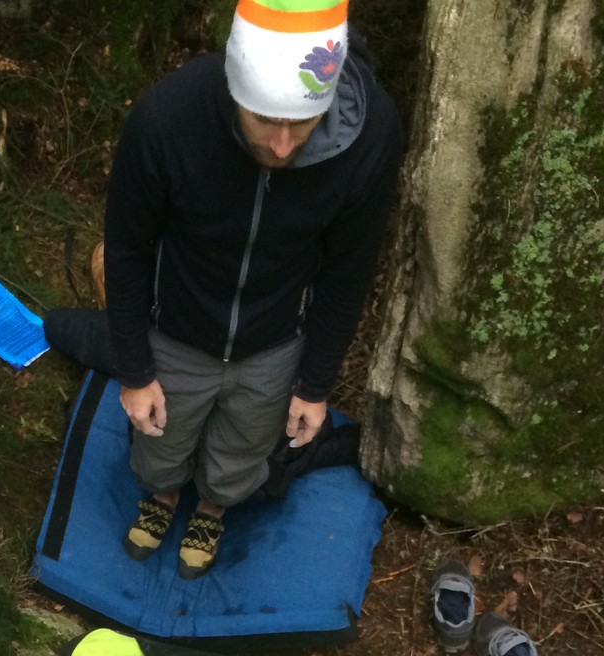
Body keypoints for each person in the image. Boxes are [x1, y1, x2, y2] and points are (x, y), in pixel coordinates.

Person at [104, 0, 401, 579]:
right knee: (160, 443)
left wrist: (315, 385)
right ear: (236, 91)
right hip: (181, 321)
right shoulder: (168, 119)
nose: (284, 146)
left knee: (242, 449)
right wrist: (135, 371)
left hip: (276, 334)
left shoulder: (371, 135)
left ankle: (212, 508)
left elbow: (348, 270)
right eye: (266, 120)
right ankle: (164, 494)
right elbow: (127, 249)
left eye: (303, 124)